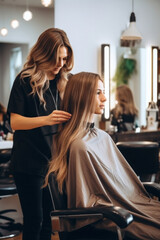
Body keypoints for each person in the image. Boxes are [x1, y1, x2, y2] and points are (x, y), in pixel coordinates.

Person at [46, 72, 160, 240]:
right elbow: (85, 201)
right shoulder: (80, 146)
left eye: (104, 92)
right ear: (82, 96)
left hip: (128, 204)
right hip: (108, 215)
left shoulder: (102, 136)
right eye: (98, 92)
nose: (105, 98)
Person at [7, 28, 74, 240]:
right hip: (28, 163)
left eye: (64, 59)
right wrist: (47, 119)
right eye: (56, 59)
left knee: (48, 222)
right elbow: (15, 122)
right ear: (43, 54)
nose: (60, 65)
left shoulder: (61, 82)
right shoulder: (24, 80)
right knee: (34, 221)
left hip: (51, 164)